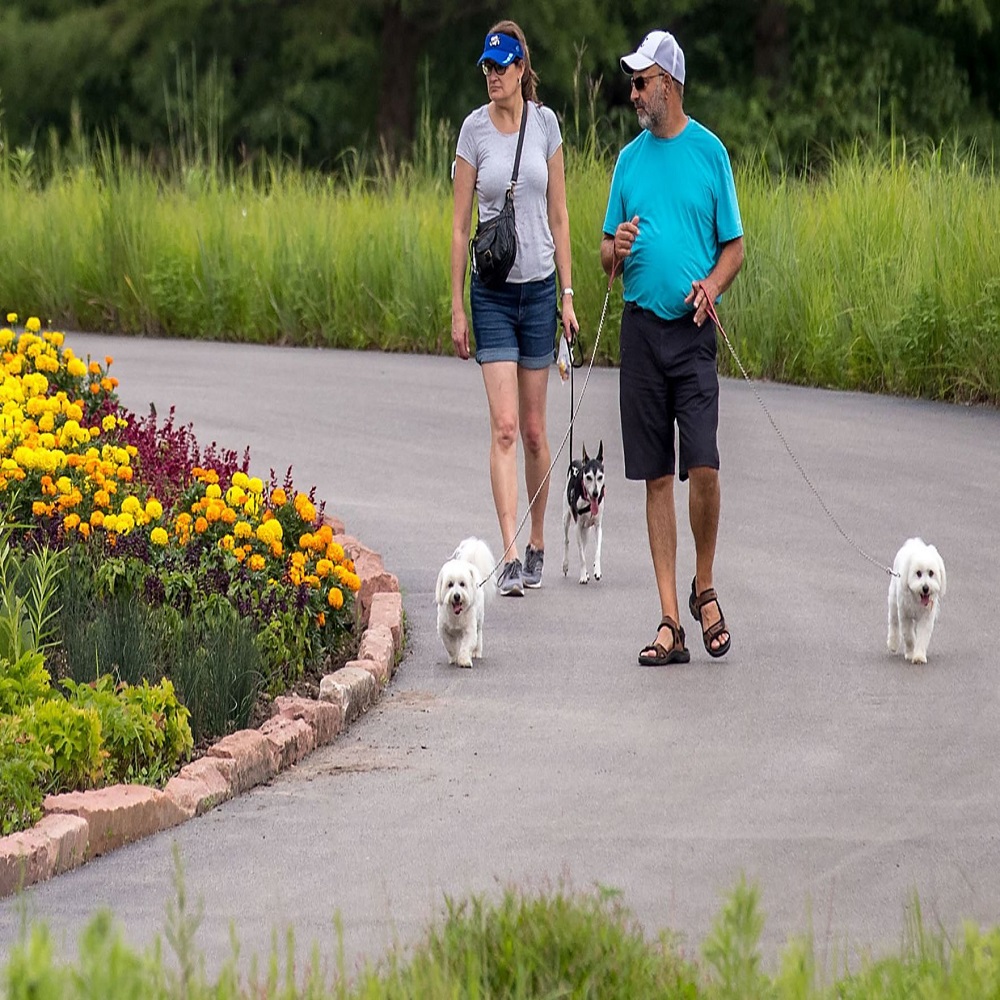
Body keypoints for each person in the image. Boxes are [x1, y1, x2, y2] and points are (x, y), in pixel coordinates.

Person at [600, 30, 744, 664]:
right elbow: (606, 253)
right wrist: (618, 247)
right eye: (631, 82)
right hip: (640, 330)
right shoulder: (628, 161)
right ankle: (669, 620)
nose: (633, 92)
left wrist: (712, 285)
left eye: (642, 82)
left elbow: (734, 246)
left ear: (671, 84)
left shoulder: (710, 153)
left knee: (704, 466)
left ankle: (703, 587)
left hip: (692, 332)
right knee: (656, 474)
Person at [451, 20, 579, 596]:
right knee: (502, 428)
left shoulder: (546, 124)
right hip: (493, 293)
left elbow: (560, 215)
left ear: (523, 69)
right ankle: (506, 555)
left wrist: (569, 296)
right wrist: (456, 305)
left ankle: (537, 544)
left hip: (540, 289)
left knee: (531, 430)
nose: (492, 77)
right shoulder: (472, 132)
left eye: (501, 67)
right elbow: (458, 229)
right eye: (486, 68)